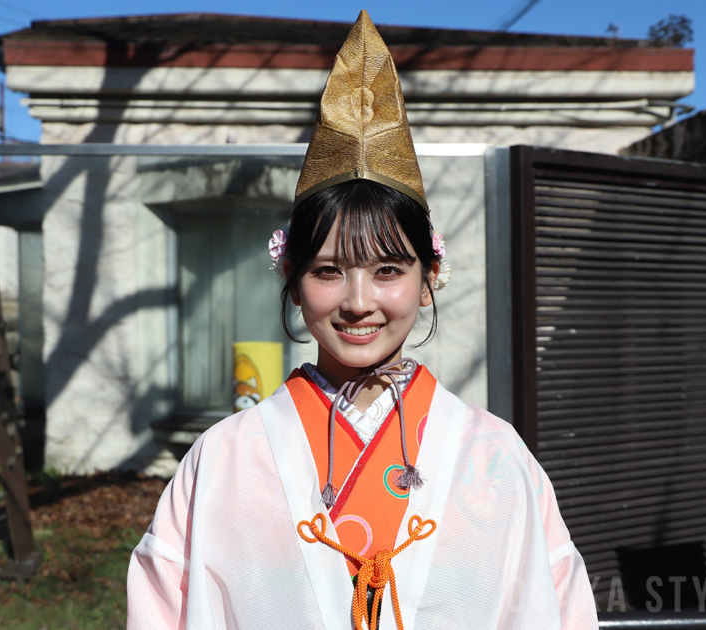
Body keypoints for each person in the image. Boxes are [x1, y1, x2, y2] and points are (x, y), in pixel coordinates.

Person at [127, 10, 598, 630]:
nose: (357, 301)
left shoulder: (493, 456)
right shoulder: (224, 460)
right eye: (327, 271)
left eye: (387, 270)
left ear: (429, 278)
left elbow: (551, 607)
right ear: (291, 279)